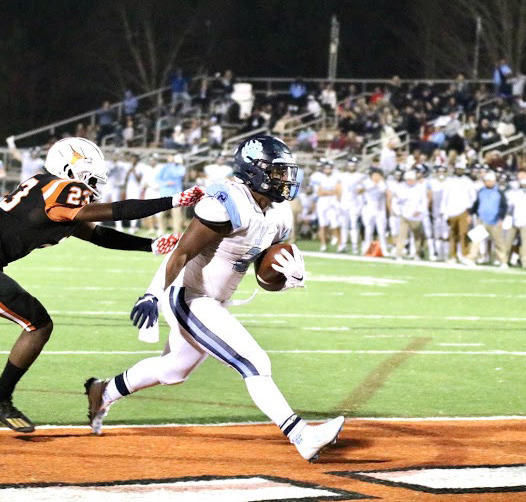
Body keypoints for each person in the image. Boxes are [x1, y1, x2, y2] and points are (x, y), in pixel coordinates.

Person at [0, 138, 204, 433]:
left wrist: (149, 246)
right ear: (70, 168)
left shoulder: (49, 193)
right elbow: (114, 212)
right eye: (89, 176)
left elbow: (97, 234)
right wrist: (173, 201)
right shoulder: (62, 189)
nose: (93, 185)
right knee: (38, 324)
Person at [84, 134, 345, 462]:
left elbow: (261, 275)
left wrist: (284, 276)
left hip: (214, 300)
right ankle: (302, 435)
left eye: (285, 172)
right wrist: (152, 294)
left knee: (173, 371)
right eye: (276, 172)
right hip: (189, 296)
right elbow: (181, 253)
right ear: (254, 171)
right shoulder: (226, 202)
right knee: (254, 361)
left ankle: (102, 391)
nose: (284, 179)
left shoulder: (280, 214)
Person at [468, 171, 508, 267]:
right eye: (486, 181)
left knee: (499, 243)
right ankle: (472, 258)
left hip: (494, 221)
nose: (488, 182)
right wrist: (470, 214)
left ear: (494, 181)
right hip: (482, 220)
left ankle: (503, 261)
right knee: (476, 240)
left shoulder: (499, 192)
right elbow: (476, 204)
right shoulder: (481, 191)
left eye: (489, 181)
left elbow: (504, 207)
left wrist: (501, 219)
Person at [337, 156, 364, 254]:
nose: (352, 167)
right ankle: (343, 245)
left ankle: (355, 247)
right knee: (344, 225)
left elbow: (361, 190)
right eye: (350, 165)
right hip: (344, 203)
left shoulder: (360, 176)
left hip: (354, 204)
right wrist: (339, 201)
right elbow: (339, 189)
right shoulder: (343, 175)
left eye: (353, 165)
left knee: (353, 226)